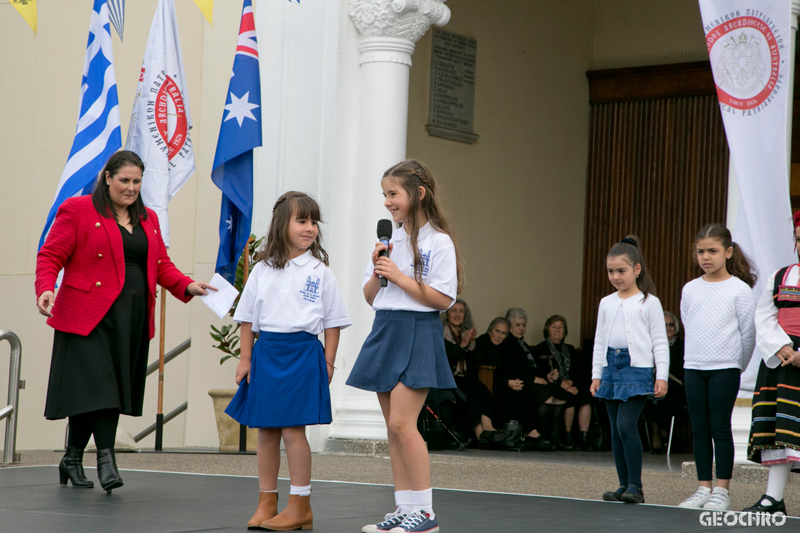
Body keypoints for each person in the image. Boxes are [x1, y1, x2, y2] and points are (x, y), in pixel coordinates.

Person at [35, 151, 216, 493]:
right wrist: (45, 288)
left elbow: (161, 263)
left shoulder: (147, 219)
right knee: (102, 389)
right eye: (124, 181)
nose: (131, 188)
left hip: (130, 317)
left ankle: (72, 458)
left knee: (103, 390)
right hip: (88, 315)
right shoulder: (79, 209)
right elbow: (51, 254)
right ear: (107, 178)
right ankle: (106, 460)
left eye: (136, 182)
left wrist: (187, 284)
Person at [347, 160, 461, 533]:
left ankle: (426, 513)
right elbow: (370, 296)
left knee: (402, 422)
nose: (387, 202)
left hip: (418, 330)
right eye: (385, 194)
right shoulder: (388, 241)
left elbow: (443, 298)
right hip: (386, 328)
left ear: (419, 193)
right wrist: (379, 266)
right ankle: (404, 506)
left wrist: (398, 275)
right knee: (392, 429)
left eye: (393, 194)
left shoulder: (439, 241)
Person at [225, 191, 351, 530]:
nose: (310, 228)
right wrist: (246, 358)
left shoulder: (320, 271)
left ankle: (300, 505)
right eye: (302, 220)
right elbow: (248, 319)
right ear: (283, 225)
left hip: (303, 354)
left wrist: (328, 362)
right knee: (266, 430)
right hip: (267, 355)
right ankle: (267, 502)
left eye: (313, 222)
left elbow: (333, 322)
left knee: (294, 430)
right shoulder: (262, 270)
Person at [677, 224, 756, 511]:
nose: (705, 257)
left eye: (712, 251)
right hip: (694, 366)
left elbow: (748, 334)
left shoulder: (739, 290)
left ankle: (722, 490)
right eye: (700, 251)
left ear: (728, 251)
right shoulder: (690, 288)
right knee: (699, 429)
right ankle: (702, 488)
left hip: (725, 368)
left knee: (720, 427)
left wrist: (737, 365)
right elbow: (689, 324)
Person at [590, 235, 669, 504]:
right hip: (610, 366)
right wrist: (596, 374)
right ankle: (623, 485)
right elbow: (600, 340)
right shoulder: (606, 302)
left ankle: (636, 485)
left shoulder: (650, 302)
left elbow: (660, 341)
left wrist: (661, 376)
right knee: (614, 428)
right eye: (611, 271)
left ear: (636, 269)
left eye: (621, 271)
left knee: (626, 424)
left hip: (637, 369)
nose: (615, 276)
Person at [743, 211, 800, 515]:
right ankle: (773, 499)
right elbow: (763, 316)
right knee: (783, 434)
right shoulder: (780, 276)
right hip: (782, 356)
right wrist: (782, 346)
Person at [439, 299, 503, 444]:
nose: (458, 314)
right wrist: (462, 344)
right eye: (454, 310)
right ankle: (480, 434)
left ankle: (488, 427)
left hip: (464, 377)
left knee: (483, 390)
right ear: (446, 313)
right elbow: (446, 357)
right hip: (447, 377)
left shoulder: (465, 332)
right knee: (473, 390)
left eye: (461, 311)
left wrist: (472, 342)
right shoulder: (440, 332)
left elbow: (476, 362)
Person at [494, 307, 555, 451]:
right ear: (509, 326)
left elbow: (532, 365)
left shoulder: (522, 343)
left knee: (556, 394)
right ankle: (533, 434)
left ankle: (544, 436)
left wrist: (545, 376)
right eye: (518, 325)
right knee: (542, 394)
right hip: (518, 382)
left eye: (524, 325)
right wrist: (534, 379)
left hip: (529, 380)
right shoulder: (509, 342)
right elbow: (514, 368)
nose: (522, 328)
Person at [532, 315, 593, 451]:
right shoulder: (540, 349)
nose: (558, 330)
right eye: (554, 327)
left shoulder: (570, 349)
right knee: (568, 400)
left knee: (585, 400)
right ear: (548, 330)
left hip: (570, 386)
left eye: (561, 328)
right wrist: (561, 384)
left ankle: (583, 439)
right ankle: (567, 438)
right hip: (553, 387)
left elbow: (577, 372)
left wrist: (571, 383)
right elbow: (542, 372)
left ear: (565, 331)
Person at [646, 311, 687, 454]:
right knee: (654, 397)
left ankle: (662, 433)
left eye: (671, 325)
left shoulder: (684, 347)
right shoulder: (650, 346)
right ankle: (658, 434)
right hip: (655, 388)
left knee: (665, 397)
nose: (668, 328)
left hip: (678, 389)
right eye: (664, 325)